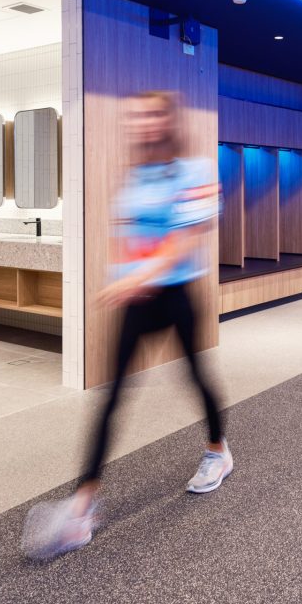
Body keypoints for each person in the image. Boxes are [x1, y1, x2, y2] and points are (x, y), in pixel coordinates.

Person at [22, 90, 229, 560]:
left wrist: (137, 276)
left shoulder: (196, 172)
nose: (143, 123)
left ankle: (218, 451)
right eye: (136, 117)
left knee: (195, 377)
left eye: (152, 115)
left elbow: (184, 242)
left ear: (169, 121)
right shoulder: (134, 179)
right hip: (138, 300)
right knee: (112, 397)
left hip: (177, 294)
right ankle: (82, 507)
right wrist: (124, 279)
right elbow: (130, 238)